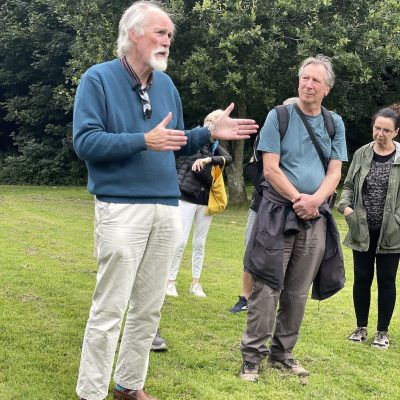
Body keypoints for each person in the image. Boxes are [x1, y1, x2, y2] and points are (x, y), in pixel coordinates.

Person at [72, 1, 258, 399]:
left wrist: (209, 132)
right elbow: (85, 142)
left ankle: (129, 385)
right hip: (121, 207)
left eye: (170, 35)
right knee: (110, 309)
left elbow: (175, 142)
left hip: (166, 205)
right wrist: (143, 140)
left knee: (148, 307)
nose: (168, 41)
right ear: (134, 34)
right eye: (161, 33)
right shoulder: (98, 79)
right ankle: (91, 392)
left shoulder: (166, 85)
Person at [239, 55, 347, 382]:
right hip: (277, 211)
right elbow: (270, 168)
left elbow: (335, 170)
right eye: (304, 78)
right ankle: (252, 358)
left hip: (314, 216)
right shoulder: (279, 116)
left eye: (315, 80)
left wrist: (315, 200)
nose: (308, 85)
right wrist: (299, 198)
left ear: (326, 88)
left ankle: (282, 353)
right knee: (267, 286)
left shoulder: (334, 123)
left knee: (297, 291)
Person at [338, 107, 400, 349]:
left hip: (392, 232)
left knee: (387, 280)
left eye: (386, 130)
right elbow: (348, 185)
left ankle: (382, 332)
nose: (380, 133)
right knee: (362, 279)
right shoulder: (362, 154)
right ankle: (360, 327)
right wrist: (345, 208)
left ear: (396, 132)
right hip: (361, 227)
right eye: (377, 128)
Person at [230, 97, 299, 313]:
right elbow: (262, 166)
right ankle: (245, 297)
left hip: (293, 206)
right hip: (263, 201)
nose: (286, 114)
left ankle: (279, 302)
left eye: (291, 111)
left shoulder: (306, 139)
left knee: (288, 254)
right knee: (252, 247)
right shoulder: (269, 132)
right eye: (285, 110)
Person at [166, 109, 232, 298]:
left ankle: (196, 283)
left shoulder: (215, 146)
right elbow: (196, 169)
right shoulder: (194, 141)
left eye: (217, 123)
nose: (212, 126)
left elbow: (228, 159)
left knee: (200, 243)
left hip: (205, 201)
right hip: (186, 197)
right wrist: (208, 168)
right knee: (180, 241)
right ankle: (170, 281)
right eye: (210, 122)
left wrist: (210, 159)